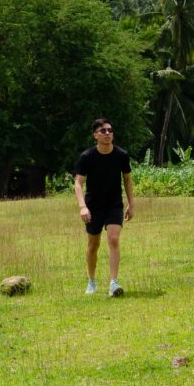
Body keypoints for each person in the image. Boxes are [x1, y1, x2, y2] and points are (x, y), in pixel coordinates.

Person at [73, 118, 135, 297]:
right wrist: (82, 207)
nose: (107, 133)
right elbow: (78, 183)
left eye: (110, 130)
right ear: (95, 135)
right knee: (93, 245)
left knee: (114, 239)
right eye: (103, 131)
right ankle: (91, 281)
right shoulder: (87, 157)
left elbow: (127, 179)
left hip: (114, 204)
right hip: (93, 206)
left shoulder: (121, 155)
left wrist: (131, 204)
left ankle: (113, 284)